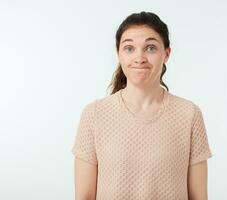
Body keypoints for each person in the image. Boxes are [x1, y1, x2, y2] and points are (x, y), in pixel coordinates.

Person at [71, 11, 213, 200]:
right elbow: (84, 196)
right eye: (129, 48)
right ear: (118, 54)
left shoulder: (189, 114)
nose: (140, 58)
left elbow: (199, 197)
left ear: (166, 54)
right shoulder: (94, 114)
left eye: (151, 48)